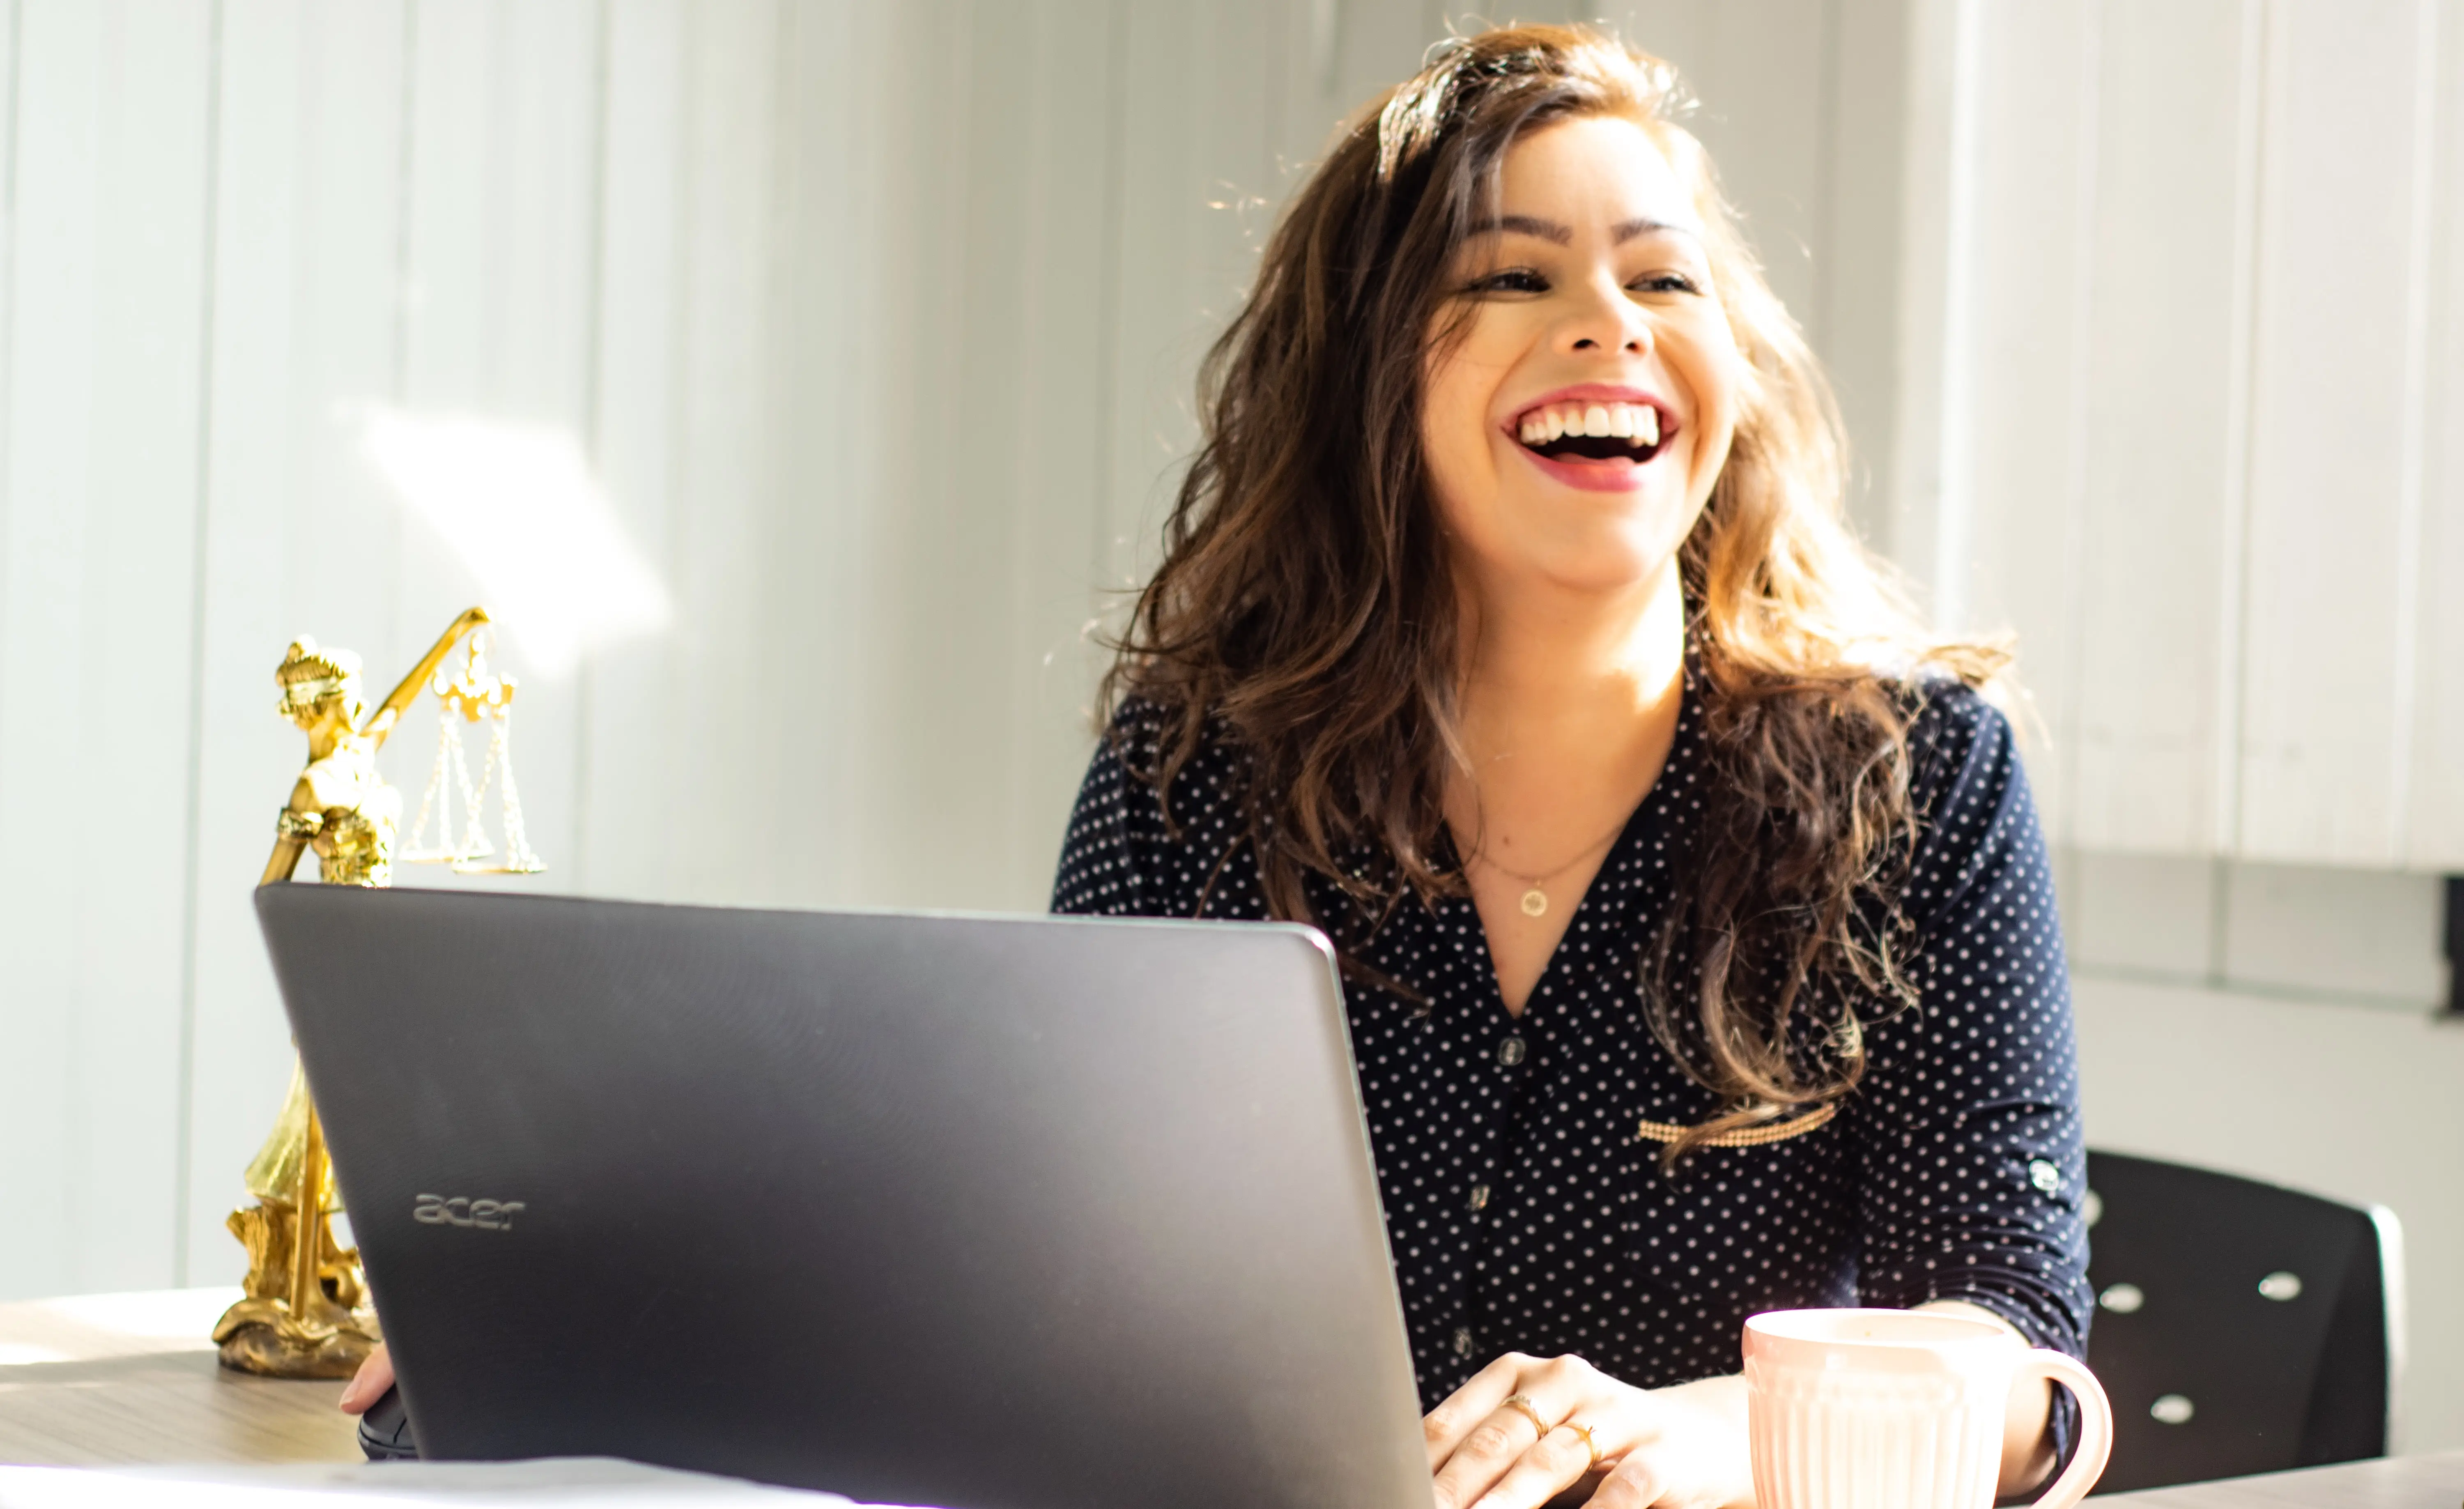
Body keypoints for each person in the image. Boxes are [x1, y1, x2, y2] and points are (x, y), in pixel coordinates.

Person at [1048, 23, 2089, 1509]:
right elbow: (1066, 1292)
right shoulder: (1194, 774)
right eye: (1511, 277)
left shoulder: (1917, 784)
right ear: (1368, 378)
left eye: (1667, 279)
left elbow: (2017, 1359)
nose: (1612, 324)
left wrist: (1709, 1436)